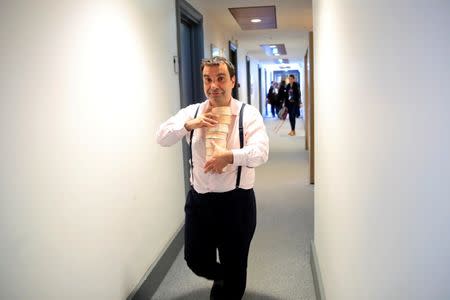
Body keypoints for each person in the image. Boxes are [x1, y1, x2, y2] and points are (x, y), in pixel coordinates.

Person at [156, 56, 269, 300]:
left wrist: (229, 156)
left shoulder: (248, 114)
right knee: (195, 259)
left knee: (235, 265)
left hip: (236, 203)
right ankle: (224, 276)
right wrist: (188, 125)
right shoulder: (193, 112)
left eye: (220, 78)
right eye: (207, 79)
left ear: (232, 81)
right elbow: (162, 137)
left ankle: (229, 283)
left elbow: (261, 152)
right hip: (200, 202)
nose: (213, 85)